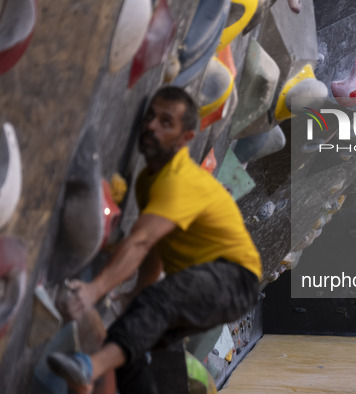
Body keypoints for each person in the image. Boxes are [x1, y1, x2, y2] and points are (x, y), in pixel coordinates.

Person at [48, 86, 262, 393]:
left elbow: (140, 243)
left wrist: (94, 289)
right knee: (132, 342)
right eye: (150, 116)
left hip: (233, 278)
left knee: (151, 308)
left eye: (165, 122)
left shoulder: (178, 181)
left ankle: (88, 367)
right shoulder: (148, 181)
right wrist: (134, 293)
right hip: (203, 283)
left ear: (186, 138)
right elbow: (156, 253)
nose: (150, 126)